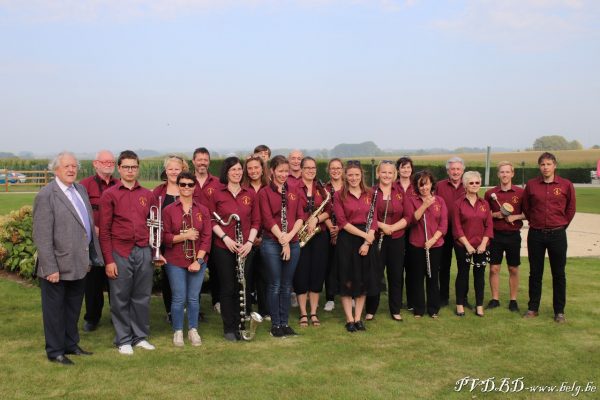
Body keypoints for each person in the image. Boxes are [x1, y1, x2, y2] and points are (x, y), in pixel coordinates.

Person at [33, 152, 102, 365]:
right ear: (56, 170)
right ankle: (55, 351)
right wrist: (50, 267)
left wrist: (90, 258)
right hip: (56, 266)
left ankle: (71, 344)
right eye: (66, 166)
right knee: (55, 311)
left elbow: (86, 227)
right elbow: (42, 236)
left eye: (74, 166)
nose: (71, 170)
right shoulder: (47, 195)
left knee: (73, 308)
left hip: (79, 263)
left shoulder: (80, 189)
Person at [99, 150, 157, 355]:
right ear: (119, 168)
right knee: (120, 297)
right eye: (126, 167)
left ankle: (139, 337)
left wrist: (154, 252)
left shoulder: (147, 195)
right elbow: (104, 231)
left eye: (133, 167)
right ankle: (123, 339)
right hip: (120, 252)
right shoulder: (110, 194)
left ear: (138, 168)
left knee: (142, 296)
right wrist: (108, 260)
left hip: (143, 251)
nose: (130, 170)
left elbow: (154, 226)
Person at [208, 157, 260, 341]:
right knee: (228, 286)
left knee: (243, 286)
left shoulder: (250, 194)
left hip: (245, 248)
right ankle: (229, 327)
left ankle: (242, 324)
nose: (237, 173)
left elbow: (256, 221)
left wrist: (249, 243)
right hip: (223, 247)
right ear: (226, 172)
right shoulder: (217, 193)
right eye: (233, 170)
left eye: (239, 169)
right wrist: (225, 238)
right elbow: (211, 220)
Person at [523, 152, 576, 323]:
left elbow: (571, 209)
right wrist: (536, 222)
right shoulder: (531, 185)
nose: (545, 167)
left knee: (559, 274)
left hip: (558, 234)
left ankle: (559, 311)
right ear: (539, 166)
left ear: (555, 165)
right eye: (542, 164)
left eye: (548, 164)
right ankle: (533, 308)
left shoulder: (566, 185)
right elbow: (527, 208)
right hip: (536, 234)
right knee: (535, 273)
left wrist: (561, 225)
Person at [161, 172, 212, 346]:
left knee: (193, 297)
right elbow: (164, 237)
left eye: (190, 184)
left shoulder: (203, 210)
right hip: (175, 260)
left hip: (197, 260)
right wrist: (184, 236)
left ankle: (192, 329)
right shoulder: (168, 210)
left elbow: (207, 237)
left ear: (195, 187)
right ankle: (177, 331)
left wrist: (198, 261)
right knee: (178, 297)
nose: (186, 188)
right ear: (178, 185)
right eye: (183, 184)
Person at [259, 155, 304, 338]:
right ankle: (275, 325)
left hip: (292, 242)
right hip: (271, 242)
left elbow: (301, 217)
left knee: (286, 285)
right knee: (275, 284)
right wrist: (282, 239)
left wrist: (290, 238)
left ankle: (285, 323)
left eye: (286, 171)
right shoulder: (264, 193)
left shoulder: (294, 190)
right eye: (280, 171)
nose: (284, 174)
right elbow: (267, 219)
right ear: (272, 171)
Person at [333, 160, 380, 332]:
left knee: (363, 280)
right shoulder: (339, 195)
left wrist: (368, 242)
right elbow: (342, 222)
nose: (353, 178)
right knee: (347, 280)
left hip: (367, 240)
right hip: (347, 239)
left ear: (362, 175)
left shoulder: (370, 193)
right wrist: (364, 236)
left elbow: (374, 221)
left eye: (356, 175)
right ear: (346, 175)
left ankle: (358, 318)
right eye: (350, 175)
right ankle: (349, 319)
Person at [79, 150, 118, 332]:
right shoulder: (84, 185)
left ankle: (117, 316)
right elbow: (80, 212)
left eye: (111, 161)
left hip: (115, 241)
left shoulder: (120, 185)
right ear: (95, 164)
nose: (109, 164)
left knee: (116, 281)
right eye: (105, 161)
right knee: (93, 283)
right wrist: (95, 230)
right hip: (93, 241)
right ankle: (92, 318)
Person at [365, 160, 408, 322]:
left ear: (394, 175)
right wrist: (383, 226)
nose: (387, 175)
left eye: (390, 173)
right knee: (374, 274)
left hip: (396, 238)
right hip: (377, 239)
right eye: (384, 172)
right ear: (378, 174)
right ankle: (371, 309)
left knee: (396, 275)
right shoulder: (370, 192)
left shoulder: (400, 192)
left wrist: (393, 227)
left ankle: (395, 309)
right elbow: (368, 215)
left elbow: (408, 216)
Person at [484, 161, 526, 312]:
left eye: (507, 172)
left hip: (513, 235)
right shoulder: (490, 194)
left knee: (513, 268)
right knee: (494, 268)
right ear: (498, 174)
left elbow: (528, 213)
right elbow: (484, 214)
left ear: (512, 174)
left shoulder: (521, 192)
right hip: (495, 235)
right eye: (502, 172)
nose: (505, 175)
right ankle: (495, 299)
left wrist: (514, 217)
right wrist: (497, 214)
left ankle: (513, 300)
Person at [294, 157, 331, 327]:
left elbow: (329, 209)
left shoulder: (321, 188)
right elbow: (291, 210)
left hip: (319, 235)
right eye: (307, 167)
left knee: (317, 273)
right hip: (300, 235)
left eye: (313, 167)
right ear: (300, 169)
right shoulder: (293, 188)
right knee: (301, 274)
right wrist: (304, 222)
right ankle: (303, 313)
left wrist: (315, 220)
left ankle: (314, 312)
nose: (310, 170)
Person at [404, 170, 447, 318]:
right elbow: (412, 220)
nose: (424, 188)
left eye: (426, 184)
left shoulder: (440, 201)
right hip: (416, 245)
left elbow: (443, 224)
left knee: (432, 277)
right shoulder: (411, 200)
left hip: (435, 245)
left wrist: (433, 240)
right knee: (417, 277)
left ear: (431, 184)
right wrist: (424, 205)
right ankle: (419, 309)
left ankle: (433, 309)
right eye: (421, 185)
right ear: (417, 186)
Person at [153, 155, 189, 323]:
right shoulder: (158, 192)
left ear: (183, 170)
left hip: (189, 241)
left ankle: (188, 309)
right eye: (170, 169)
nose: (174, 172)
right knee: (168, 278)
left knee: (189, 276)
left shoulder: (189, 187)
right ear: (165, 171)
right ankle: (170, 311)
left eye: (177, 169)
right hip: (167, 241)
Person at [452, 171, 494, 318]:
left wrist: (483, 244)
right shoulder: (458, 204)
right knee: (463, 274)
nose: (475, 185)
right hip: (463, 246)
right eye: (471, 183)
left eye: (477, 182)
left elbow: (489, 226)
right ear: (465, 185)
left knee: (479, 276)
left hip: (482, 246)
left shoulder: (485, 204)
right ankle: (460, 305)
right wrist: (467, 245)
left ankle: (479, 305)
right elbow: (457, 227)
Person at [191, 147, 222, 314]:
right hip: (194, 235)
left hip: (215, 234)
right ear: (193, 161)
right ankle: (194, 305)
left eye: (205, 159)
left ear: (209, 162)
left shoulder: (218, 183)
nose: (202, 162)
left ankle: (217, 300)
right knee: (194, 270)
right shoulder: (187, 181)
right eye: (199, 159)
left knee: (217, 269)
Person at [436, 157, 467, 307]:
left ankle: (463, 299)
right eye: (452, 169)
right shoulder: (439, 186)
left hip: (462, 232)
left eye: (458, 169)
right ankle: (443, 297)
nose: (455, 172)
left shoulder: (468, 185)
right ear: (448, 171)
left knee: (463, 266)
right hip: (444, 232)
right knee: (444, 266)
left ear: (463, 170)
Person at [242, 155, 270, 319]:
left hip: (267, 238)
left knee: (264, 276)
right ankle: (245, 311)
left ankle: (265, 310)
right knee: (246, 275)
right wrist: (251, 238)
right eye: (250, 168)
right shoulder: (243, 188)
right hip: (247, 240)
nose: (253, 171)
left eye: (256, 168)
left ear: (262, 169)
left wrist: (263, 236)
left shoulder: (269, 187)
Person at [395, 156, 416, 311]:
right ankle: (397, 300)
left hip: (414, 230)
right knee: (397, 266)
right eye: (403, 167)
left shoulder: (416, 186)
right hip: (397, 230)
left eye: (408, 167)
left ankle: (410, 300)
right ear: (398, 169)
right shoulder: (393, 186)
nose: (406, 170)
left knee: (411, 266)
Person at [323, 158, 344, 312]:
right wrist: (332, 229)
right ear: (328, 170)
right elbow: (323, 211)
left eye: (338, 168)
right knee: (329, 266)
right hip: (328, 230)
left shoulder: (349, 187)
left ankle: (348, 295)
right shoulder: (323, 189)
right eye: (332, 168)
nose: (335, 171)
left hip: (346, 230)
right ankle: (330, 298)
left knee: (347, 265)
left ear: (342, 170)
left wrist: (340, 228)